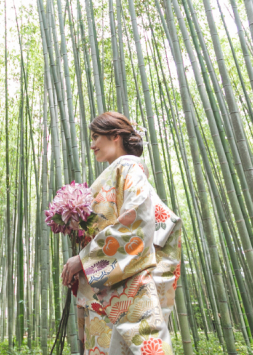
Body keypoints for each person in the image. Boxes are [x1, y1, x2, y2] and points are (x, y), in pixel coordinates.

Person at [62, 112, 183, 355]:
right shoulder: (117, 171)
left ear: (115, 136)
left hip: (120, 285)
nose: (92, 144)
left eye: (96, 137)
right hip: (104, 283)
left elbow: (138, 224)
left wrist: (85, 260)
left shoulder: (129, 168)